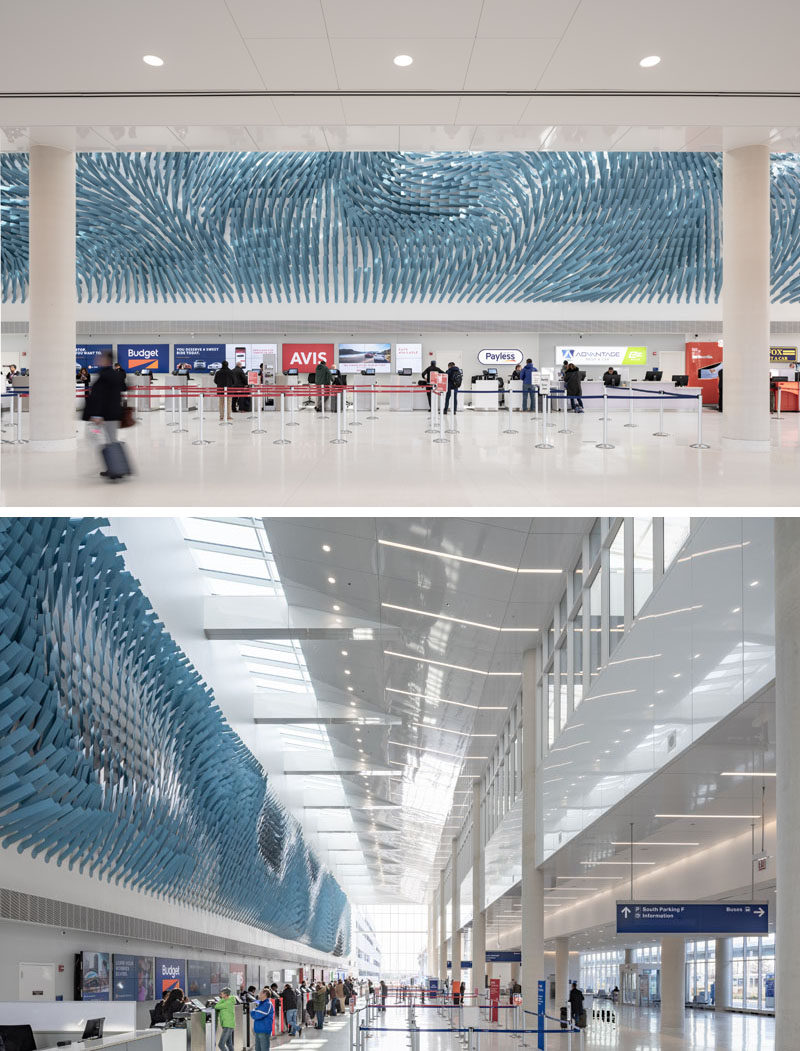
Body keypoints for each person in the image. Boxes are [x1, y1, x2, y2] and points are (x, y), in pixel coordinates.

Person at [83, 350, 127, 475]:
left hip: (104, 415)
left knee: (103, 440)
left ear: (106, 360)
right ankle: (117, 467)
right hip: (114, 414)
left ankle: (115, 468)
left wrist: (96, 415)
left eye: (101, 358)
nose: (98, 360)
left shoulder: (104, 375)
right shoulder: (117, 375)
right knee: (111, 439)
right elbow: (124, 388)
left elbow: (98, 396)